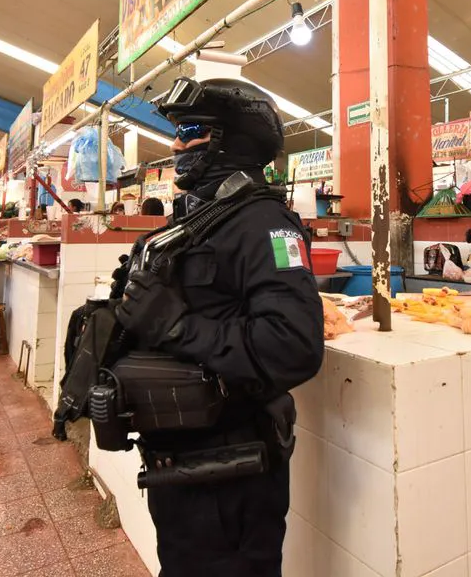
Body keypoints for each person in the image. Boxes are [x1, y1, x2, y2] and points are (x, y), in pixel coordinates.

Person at [111, 77, 325, 576]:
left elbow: (294, 345)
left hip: (231, 471)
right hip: (177, 465)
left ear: (235, 139)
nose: (176, 145)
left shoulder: (265, 225)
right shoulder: (196, 223)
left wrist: (175, 325)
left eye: (190, 131)